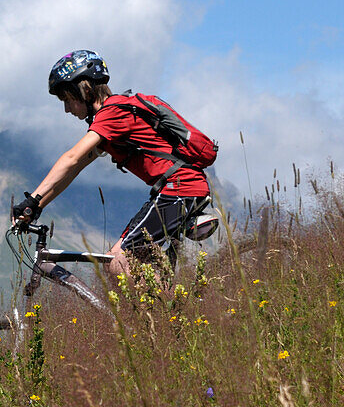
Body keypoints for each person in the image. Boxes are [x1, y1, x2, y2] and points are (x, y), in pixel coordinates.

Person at [11, 50, 213, 278]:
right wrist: (37, 206)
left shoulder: (112, 113)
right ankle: (164, 309)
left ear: (84, 89)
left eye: (67, 99)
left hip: (178, 189)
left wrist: (32, 198)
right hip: (176, 190)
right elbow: (74, 169)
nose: (66, 109)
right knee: (115, 260)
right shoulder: (112, 118)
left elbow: (71, 158)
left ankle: (166, 312)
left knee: (119, 263)